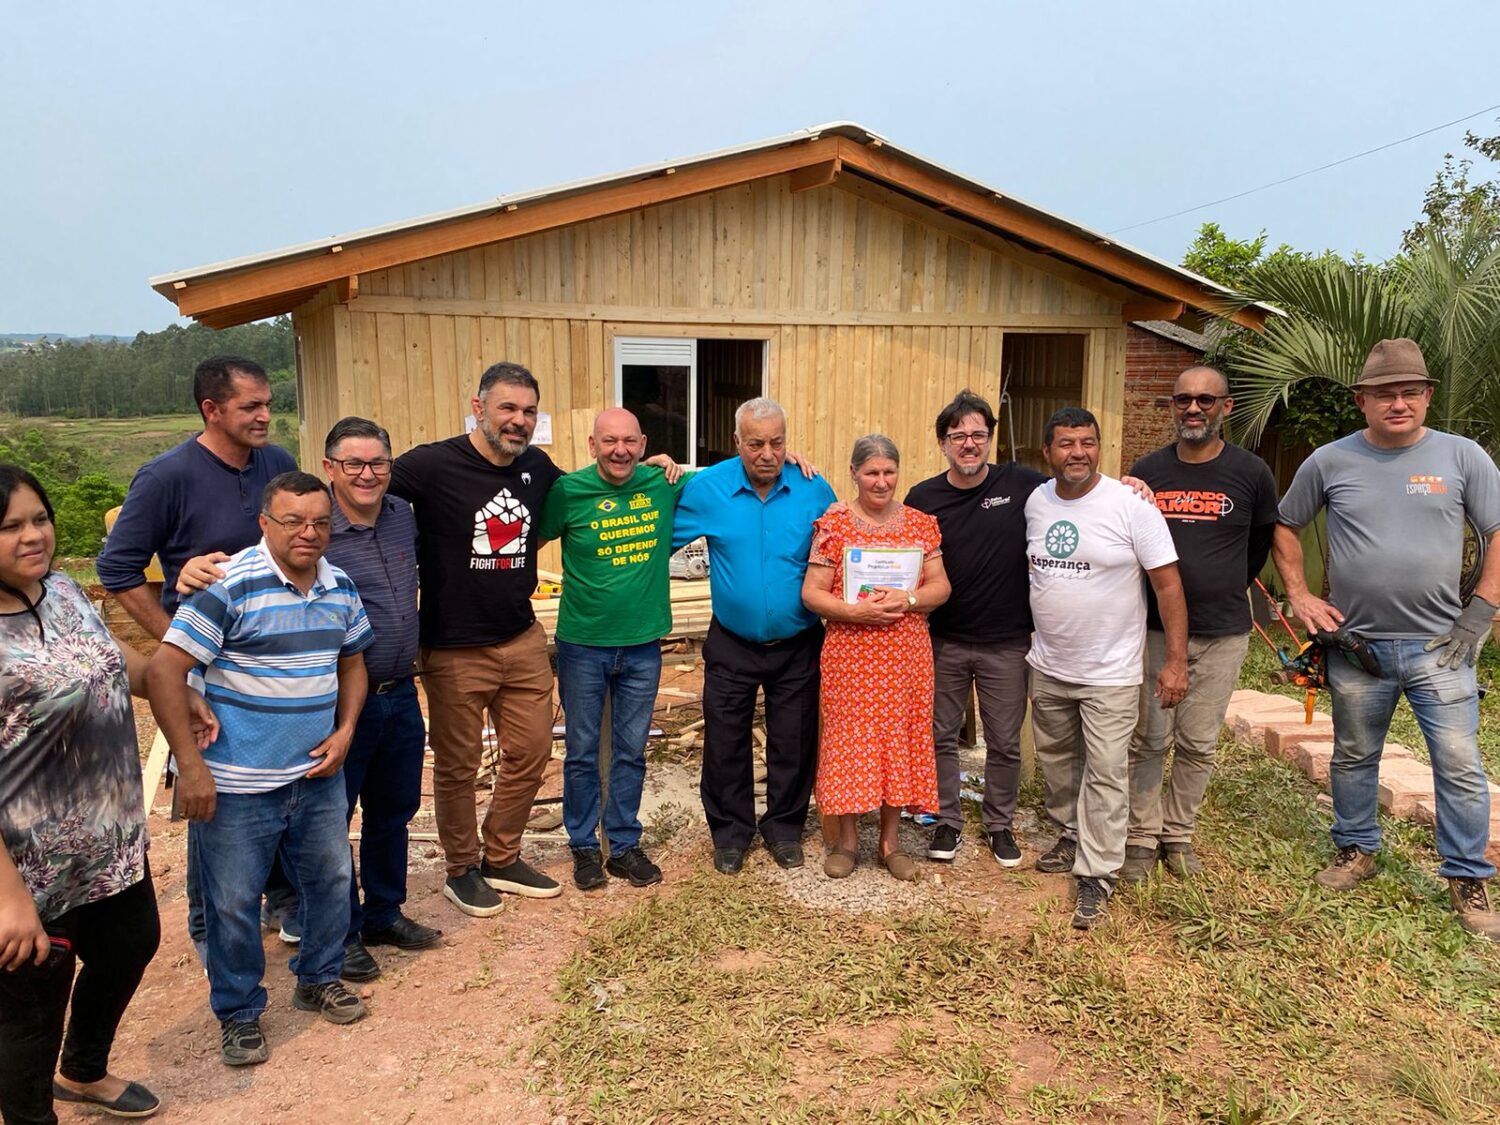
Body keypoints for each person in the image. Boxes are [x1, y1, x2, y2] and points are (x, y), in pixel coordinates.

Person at [177, 418, 442, 982]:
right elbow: (235, 563)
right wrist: (191, 570)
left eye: (378, 463)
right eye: (353, 464)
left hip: (393, 689)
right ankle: (335, 937)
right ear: (330, 469)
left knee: (394, 812)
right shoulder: (309, 528)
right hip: (329, 706)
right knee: (324, 830)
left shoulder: (402, 517)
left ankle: (384, 914)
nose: (367, 474)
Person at [0, 465, 215, 1124]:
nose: (34, 535)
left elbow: (124, 666)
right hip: (25, 864)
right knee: (31, 1009)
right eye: (10, 526)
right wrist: (7, 897)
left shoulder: (62, 590)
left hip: (107, 837)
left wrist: (180, 691)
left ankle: (84, 1070)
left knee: (131, 942)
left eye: (39, 518)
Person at [1273, 338, 1500, 939]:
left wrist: (1482, 610)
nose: (1396, 403)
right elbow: (1286, 525)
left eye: (1408, 392)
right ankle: (1356, 850)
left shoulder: (1462, 456)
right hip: (1357, 647)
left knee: (1458, 765)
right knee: (1352, 753)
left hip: (1440, 646)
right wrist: (1298, 595)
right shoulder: (1329, 460)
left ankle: (1467, 878)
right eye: (1383, 394)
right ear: (1362, 401)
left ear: (1426, 397)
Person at [147, 472, 374, 1066]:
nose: (309, 533)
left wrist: (346, 731)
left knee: (329, 883)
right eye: (293, 521)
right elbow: (165, 674)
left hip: (316, 774)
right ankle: (240, 1011)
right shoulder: (229, 586)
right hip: (238, 782)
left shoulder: (340, 586)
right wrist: (192, 769)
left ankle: (318, 977)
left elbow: (352, 663)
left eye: (321, 522)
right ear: (264, 523)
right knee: (233, 902)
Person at [96, 355, 301, 951]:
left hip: (277, 659)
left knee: (285, 776)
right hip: (213, 668)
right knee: (215, 786)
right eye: (251, 407)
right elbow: (117, 569)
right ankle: (210, 923)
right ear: (211, 410)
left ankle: (285, 899)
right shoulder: (166, 477)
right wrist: (177, 647)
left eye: (268, 403)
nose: (266, 415)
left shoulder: (277, 464)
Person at [388, 363, 565, 915]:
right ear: (479, 405)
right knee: (458, 765)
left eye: (528, 411)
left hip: (521, 637)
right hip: (453, 647)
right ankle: (462, 867)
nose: (518, 421)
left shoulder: (537, 466)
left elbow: (592, 491)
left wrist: (652, 468)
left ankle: (502, 856)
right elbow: (355, 491)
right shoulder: (429, 465)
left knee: (532, 750)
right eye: (507, 408)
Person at [1026, 407, 1188, 930]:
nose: (1078, 452)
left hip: (1112, 671)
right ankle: (1071, 833)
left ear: (1100, 447)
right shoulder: (1036, 501)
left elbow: (1168, 586)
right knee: (1057, 762)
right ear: (1047, 452)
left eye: (1088, 442)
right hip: (1050, 664)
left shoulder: (1130, 505)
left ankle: (1096, 873)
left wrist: (1176, 662)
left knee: (1105, 770)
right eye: (1067, 443)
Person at [1122, 368, 1279, 882]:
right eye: (1183, 399)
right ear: (1172, 406)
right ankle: (1141, 837)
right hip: (1152, 629)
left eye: (1205, 400)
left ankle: (1177, 835)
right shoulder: (1149, 470)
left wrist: (1219, 583)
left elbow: (1257, 548)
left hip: (1223, 631)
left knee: (1197, 742)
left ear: (1226, 407)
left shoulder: (1252, 473)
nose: (1194, 408)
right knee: (1148, 738)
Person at [673, 398, 837, 874]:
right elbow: (656, 524)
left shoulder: (813, 488)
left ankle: (784, 828)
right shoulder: (708, 488)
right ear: (736, 443)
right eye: (755, 443)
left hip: (798, 643)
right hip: (732, 642)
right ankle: (731, 834)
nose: (767, 453)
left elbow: (843, 547)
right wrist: (659, 467)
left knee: (795, 739)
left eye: (777, 442)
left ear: (788, 442)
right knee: (725, 740)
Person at [538, 408, 686, 891]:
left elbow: (735, 471)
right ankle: (583, 846)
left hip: (643, 644)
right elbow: (526, 542)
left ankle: (622, 845)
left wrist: (786, 454)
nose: (619, 450)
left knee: (631, 751)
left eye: (628, 441)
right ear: (591, 444)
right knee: (581, 751)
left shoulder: (663, 483)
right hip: (583, 644)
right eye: (609, 441)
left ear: (643, 444)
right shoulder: (568, 491)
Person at [905, 391, 1046, 868]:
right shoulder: (923, 498)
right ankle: (946, 820)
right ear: (943, 442)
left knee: (1003, 741)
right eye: (958, 435)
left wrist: (1131, 485)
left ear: (990, 438)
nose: (969, 443)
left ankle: (999, 825)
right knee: (940, 734)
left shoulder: (1023, 484)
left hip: (1006, 641)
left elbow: (1078, 491)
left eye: (978, 435)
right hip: (941, 639)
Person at [802, 435, 950, 880]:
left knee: (898, 741)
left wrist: (906, 599)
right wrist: (854, 611)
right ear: (854, 474)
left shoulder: (921, 525)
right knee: (849, 742)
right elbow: (811, 593)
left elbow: (940, 587)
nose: (881, 481)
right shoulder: (835, 524)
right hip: (851, 654)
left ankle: (891, 840)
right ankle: (847, 840)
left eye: (888, 472)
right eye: (871, 473)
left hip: (905, 655)